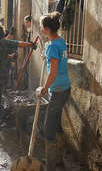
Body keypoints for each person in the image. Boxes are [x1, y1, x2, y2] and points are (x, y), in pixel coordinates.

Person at [0, 22, 37, 129]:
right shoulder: (4, 42)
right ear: (2, 33)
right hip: (1, 76)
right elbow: (19, 43)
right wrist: (31, 44)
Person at [37, 12, 71, 170]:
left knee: (48, 128)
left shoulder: (52, 46)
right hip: (65, 88)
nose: (40, 29)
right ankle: (59, 160)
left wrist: (44, 88)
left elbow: (53, 72)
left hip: (57, 89)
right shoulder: (61, 40)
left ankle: (50, 165)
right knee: (56, 125)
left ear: (45, 29)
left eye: (41, 27)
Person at [22, 15, 32, 89]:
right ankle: (25, 84)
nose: (26, 24)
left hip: (29, 52)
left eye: (27, 22)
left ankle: (26, 85)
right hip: (27, 51)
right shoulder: (28, 30)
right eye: (25, 22)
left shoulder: (31, 31)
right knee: (24, 68)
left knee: (25, 68)